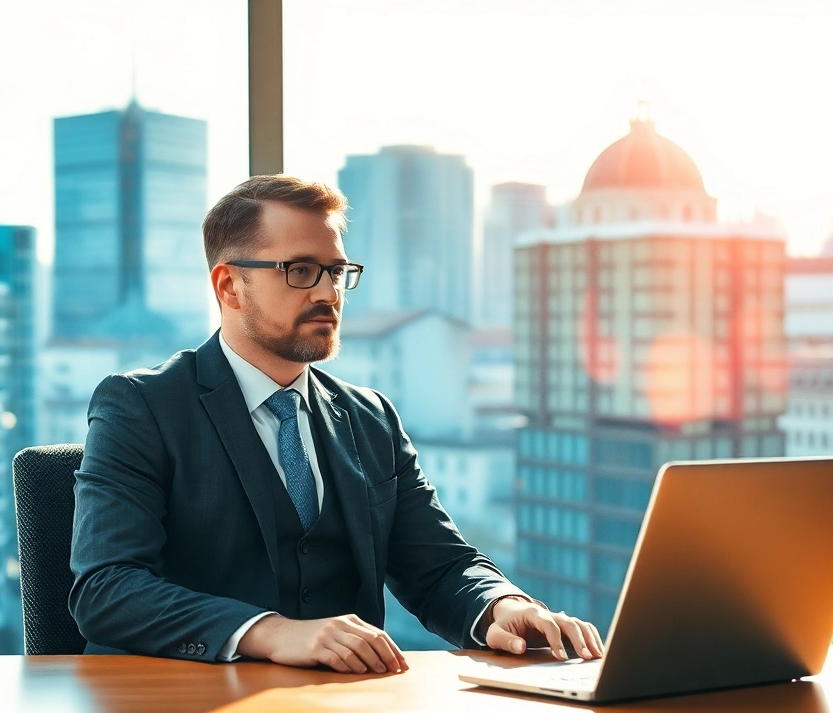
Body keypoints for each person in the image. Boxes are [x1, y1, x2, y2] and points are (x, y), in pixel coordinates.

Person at [69, 175, 602, 674]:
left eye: (337, 272)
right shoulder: (140, 406)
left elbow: (439, 566)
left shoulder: (371, 419)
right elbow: (108, 588)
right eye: (300, 271)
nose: (328, 294)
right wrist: (269, 632)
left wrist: (500, 606)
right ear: (229, 285)